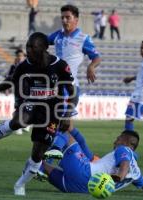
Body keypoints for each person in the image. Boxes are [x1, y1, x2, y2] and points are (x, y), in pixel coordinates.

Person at [0, 32, 75, 195]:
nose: (29, 50)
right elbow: (11, 80)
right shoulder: (25, 65)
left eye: (33, 47)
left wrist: (67, 113)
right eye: (28, 46)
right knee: (19, 121)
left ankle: (20, 184)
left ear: (44, 48)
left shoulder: (60, 65)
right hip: (31, 103)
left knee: (38, 154)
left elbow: (71, 89)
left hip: (51, 112)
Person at [46, 4, 101, 161]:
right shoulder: (57, 36)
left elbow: (97, 57)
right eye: (62, 17)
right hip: (56, 89)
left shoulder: (83, 39)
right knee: (68, 127)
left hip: (70, 88)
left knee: (58, 124)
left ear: (76, 19)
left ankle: (46, 163)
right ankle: (91, 158)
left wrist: (91, 66)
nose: (64, 20)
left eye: (68, 17)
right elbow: (41, 42)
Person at [41, 130, 143, 193]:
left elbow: (124, 163)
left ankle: (53, 151)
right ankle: (41, 168)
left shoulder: (124, 149)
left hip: (84, 173)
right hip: (82, 190)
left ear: (127, 142)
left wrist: (120, 175)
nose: (115, 141)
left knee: (65, 134)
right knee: (42, 164)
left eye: (118, 138)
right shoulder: (137, 173)